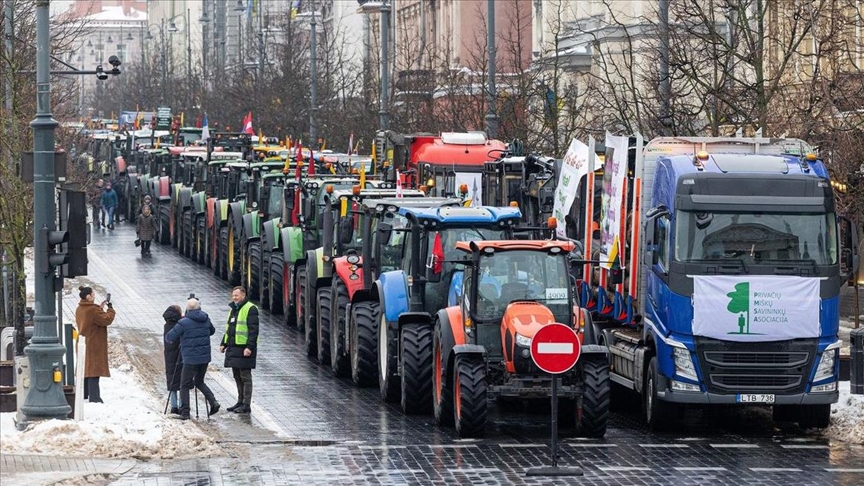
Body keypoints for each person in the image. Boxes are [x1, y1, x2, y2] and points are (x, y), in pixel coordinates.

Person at [165, 298, 219, 420]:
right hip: (205, 358)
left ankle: (185, 413)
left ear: (187, 309)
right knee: (199, 381)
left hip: (190, 359)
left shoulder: (184, 322)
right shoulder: (205, 318)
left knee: (184, 385)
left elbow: (170, 337)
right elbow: (212, 331)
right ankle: (213, 402)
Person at [220, 286, 258, 414]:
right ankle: (240, 401)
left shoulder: (250, 308)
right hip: (233, 347)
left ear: (243, 295)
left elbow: (254, 331)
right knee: (237, 376)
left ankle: (246, 404)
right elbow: (229, 328)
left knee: (245, 377)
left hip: (244, 348)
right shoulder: (233, 309)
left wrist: (249, 347)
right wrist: (223, 343)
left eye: (236, 295)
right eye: (233, 295)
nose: (234, 298)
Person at [74, 286, 116, 403]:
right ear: (88, 297)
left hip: (83, 341)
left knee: (86, 368)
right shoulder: (92, 310)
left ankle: (85, 394)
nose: (94, 296)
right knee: (94, 370)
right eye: (93, 295)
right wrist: (110, 309)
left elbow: (93, 318)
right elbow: (106, 320)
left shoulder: (80, 308)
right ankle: (95, 397)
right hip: (93, 343)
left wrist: (99, 308)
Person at [162, 305, 184, 414]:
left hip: (169, 355)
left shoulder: (167, 325)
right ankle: (181, 405)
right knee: (181, 381)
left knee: (171, 379)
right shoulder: (179, 325)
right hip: (179, 355)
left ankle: (173, 406)